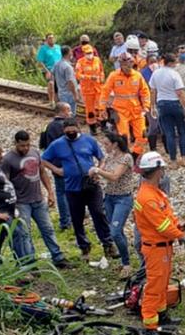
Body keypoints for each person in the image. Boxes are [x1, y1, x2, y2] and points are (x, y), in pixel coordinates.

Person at [41, 119, 116, 258]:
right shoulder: (57, 144)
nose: (71, 133)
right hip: (72, 187)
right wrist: (56, 170)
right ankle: (84, 247)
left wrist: (99, 170)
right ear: (64, 131)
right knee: (77, 218)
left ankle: (108, 244)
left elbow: (101, 158)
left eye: (73, 130)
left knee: (99, 213)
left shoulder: (89, 141)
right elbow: (44, 159)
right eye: (68, 131)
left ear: (79, 128)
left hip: (91, 185)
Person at [132, 152, 185, 335]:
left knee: (162, 284)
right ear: (156, 170)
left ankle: (162, 316)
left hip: (163, 246)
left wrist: (177, 226)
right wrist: (179, 235)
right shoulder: (148, 197)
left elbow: (167, 216)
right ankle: (150, 328)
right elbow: (160, 225)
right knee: (154, 287)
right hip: (155, 247)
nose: (163, 171)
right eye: (162, 168)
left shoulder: (155, 192)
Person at [3, 130, 70, 269]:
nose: (25, 148)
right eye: (22, 146)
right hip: (21, 202)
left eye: (28, 145)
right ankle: (29, 261)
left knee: (48, 229)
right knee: (24, 233)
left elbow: (42, 172)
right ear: (16, 143)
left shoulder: (34, 153)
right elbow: (5, 183)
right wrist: (11, 203)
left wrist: (50, 192)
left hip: (38, 199)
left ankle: (57, 256)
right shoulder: (8, 159)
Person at [90, 132, 140, 276]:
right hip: (110, 197)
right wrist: (96, 174)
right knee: (118, 232)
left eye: (106, 144)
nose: (104, 147)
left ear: (115, 144)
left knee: (115, 231)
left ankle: (126, 264)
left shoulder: (126, 158)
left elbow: (114, 176)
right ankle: (125, 262)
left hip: (123, 198)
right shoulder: (109, 157)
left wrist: (98, 170)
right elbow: (104, 170)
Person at [103, 53, 152, 157]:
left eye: (129, 64)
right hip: (120, 110)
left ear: (132, 63)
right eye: (124, 64)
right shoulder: (114, 76)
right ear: (120, 64)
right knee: (124, 136)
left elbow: (145, 92)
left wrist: (146, 106)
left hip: (137, 110)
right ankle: (126, 156)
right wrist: (102, 109)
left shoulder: (137, 75)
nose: (127, 67)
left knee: (142, 136)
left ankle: (135, 155)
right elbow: (105, 92)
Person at [149, 54, 185, 166]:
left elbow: (153, 91)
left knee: (169, 133)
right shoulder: (174, 74)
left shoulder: (156, 73)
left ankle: (173, 160)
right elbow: (180, 93)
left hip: (162, 103)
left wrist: (153, 106)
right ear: (171, 63)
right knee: (182, 131)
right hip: (175, 103)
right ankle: (184, 157)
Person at [40, 102, 73, 231]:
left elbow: (42, 144)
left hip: (56, 164)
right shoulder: (64, 126)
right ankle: (66, 220)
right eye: (68, 110)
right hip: (64, 164)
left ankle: (66, 219)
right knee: (64, 192)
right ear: (62, 111)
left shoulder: (48, 126)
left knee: (62, 192)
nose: (70, 112)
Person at [75, 44, 106, 133]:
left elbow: (101, 71)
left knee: (102, 108)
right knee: (90, 110)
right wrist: (89, 77)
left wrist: (102, 78)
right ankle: (93, 129)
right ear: (84, 54)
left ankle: (103, 126)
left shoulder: (97, 60)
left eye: (91, 52)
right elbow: (78, 75)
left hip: (98, 88)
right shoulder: (80, 62)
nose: (90, 54)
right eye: (88, 53)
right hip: (88, 90)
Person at [52, 46, 81, 113]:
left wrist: (55, 93)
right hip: (69, 95)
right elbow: (70, 82)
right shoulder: (68, 67)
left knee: (63, 113)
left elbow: (54, 79)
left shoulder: (57, 64)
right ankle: (69, 123)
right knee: (70, 114)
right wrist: (75, 95)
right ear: (69, 53)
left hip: (61, 93)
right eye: (71, 52)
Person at [36, 34, 61, 105]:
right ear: (46, 39)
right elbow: (40, 61)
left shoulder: (58, 47)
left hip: (59, 69)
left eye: (53, 38)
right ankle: (51, 101)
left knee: (58, 86)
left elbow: (62, 58)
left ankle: (58, 102)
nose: (52, 39)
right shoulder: (43, 49)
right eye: (50, 38)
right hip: (49, 69)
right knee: (51, 84)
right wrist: (47, 71)